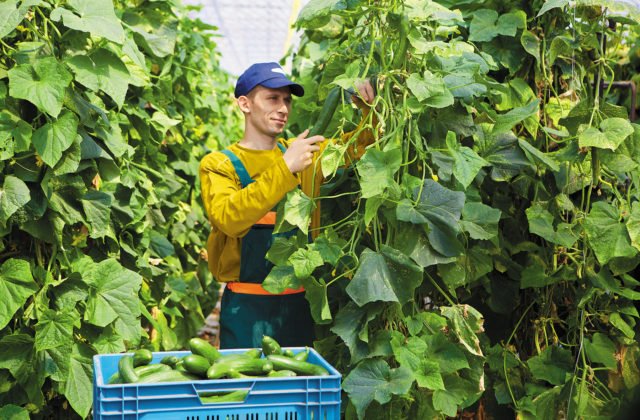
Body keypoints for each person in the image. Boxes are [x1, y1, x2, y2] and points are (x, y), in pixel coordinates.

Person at [199, 62, 376, 349]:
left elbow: (362, 146)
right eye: (272, 98)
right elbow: (228, 218)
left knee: (297, 391)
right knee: (249, 390)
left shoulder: (304, 154)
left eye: (287, 100)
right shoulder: (218, 164)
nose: (283, 108)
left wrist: (368, 108)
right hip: (246, 307)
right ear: (244, 104)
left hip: (299, 305)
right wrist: (284, 167)